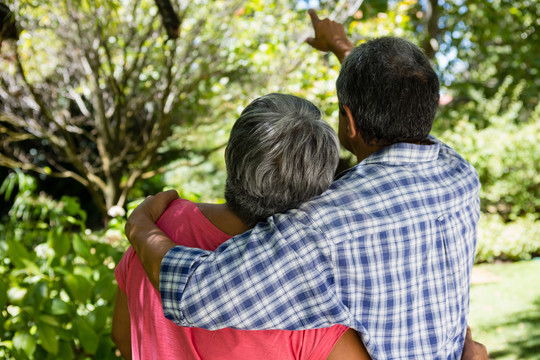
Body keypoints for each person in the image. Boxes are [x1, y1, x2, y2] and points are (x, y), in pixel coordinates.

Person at [125, 11, 489, 360]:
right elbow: (402, 117)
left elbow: (193, 295)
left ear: (350, 122)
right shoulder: (457, 173)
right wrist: (341, 45)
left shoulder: (322, 227)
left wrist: (140, 226)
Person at [112, 93, 371, 359]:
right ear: (320, 186)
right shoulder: (312, 291)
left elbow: (123, 335)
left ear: (228, 156)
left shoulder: (159, 223)